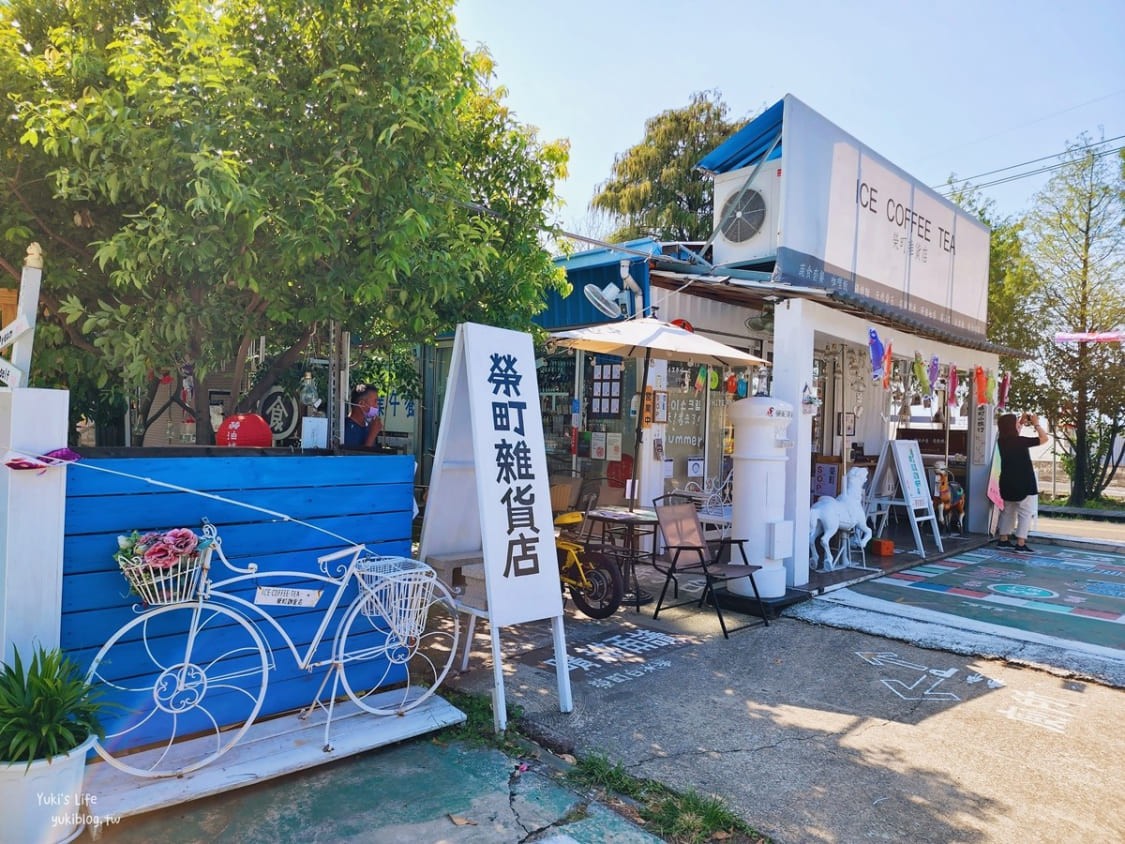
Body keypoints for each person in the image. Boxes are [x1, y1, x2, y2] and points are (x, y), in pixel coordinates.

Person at [995, 411, 1048, 552]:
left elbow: (1012, 433)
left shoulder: (1001, 441)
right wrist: (1036, 424)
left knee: (1007, 511)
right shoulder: (1020, 441)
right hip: (1024, 483)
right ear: (1013, 427)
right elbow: (1044, 439)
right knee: (1025, 513)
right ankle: (1020, 543)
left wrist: (1021, 421)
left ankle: (1003, 539)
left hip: (1007, 483)